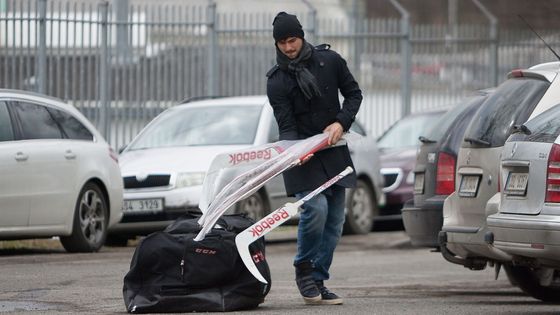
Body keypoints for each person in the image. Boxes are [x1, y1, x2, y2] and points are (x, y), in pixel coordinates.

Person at [266, 11, 362, 305]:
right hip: (301, 157)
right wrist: (296, 151)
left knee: (335, 219)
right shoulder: (277, 81)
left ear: (301, 36)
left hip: (333, 151)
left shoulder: (330, 62)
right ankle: (304, 270)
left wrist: (341, 122)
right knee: (316, 209)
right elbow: (286, 124)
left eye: (291, 40)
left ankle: (319, 279)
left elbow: (354, 95)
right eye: (281, 42)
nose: (288, 47)